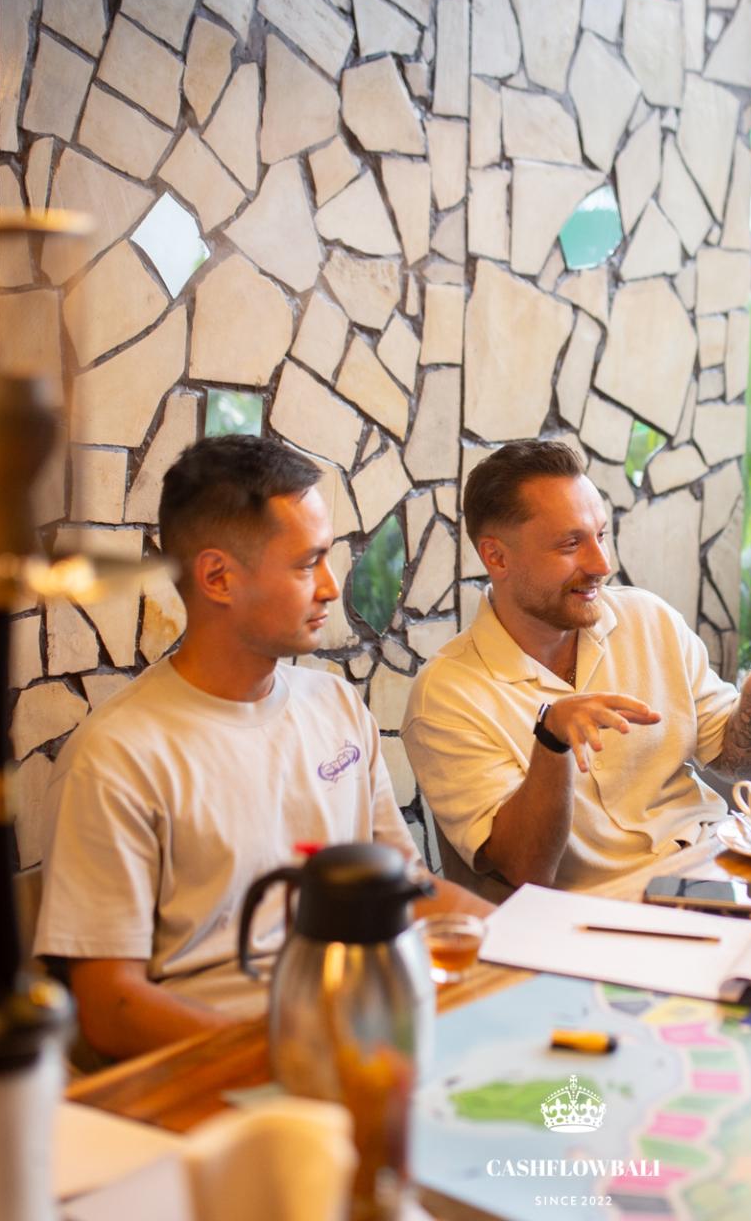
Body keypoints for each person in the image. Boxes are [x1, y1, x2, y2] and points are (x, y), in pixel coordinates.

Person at [34, 435, 491, 1062]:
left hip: (370, 1028)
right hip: (232, 1065)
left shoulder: (336, 706)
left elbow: (409, 890)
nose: (331, 586)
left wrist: (538, 950)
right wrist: (293, 1054)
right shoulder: (117, 757)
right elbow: (110, 1008)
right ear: (217, 578)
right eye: (307, 564)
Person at [402, 439, 751, 895]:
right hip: (588, 919)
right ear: (497, 556)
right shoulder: (447, 695)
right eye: (570, 544)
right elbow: (526, 872)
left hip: (712, 871)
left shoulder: (649, 618)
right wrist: (551, 742)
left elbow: (733, 763)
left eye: (601, 535)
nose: (601, 564)